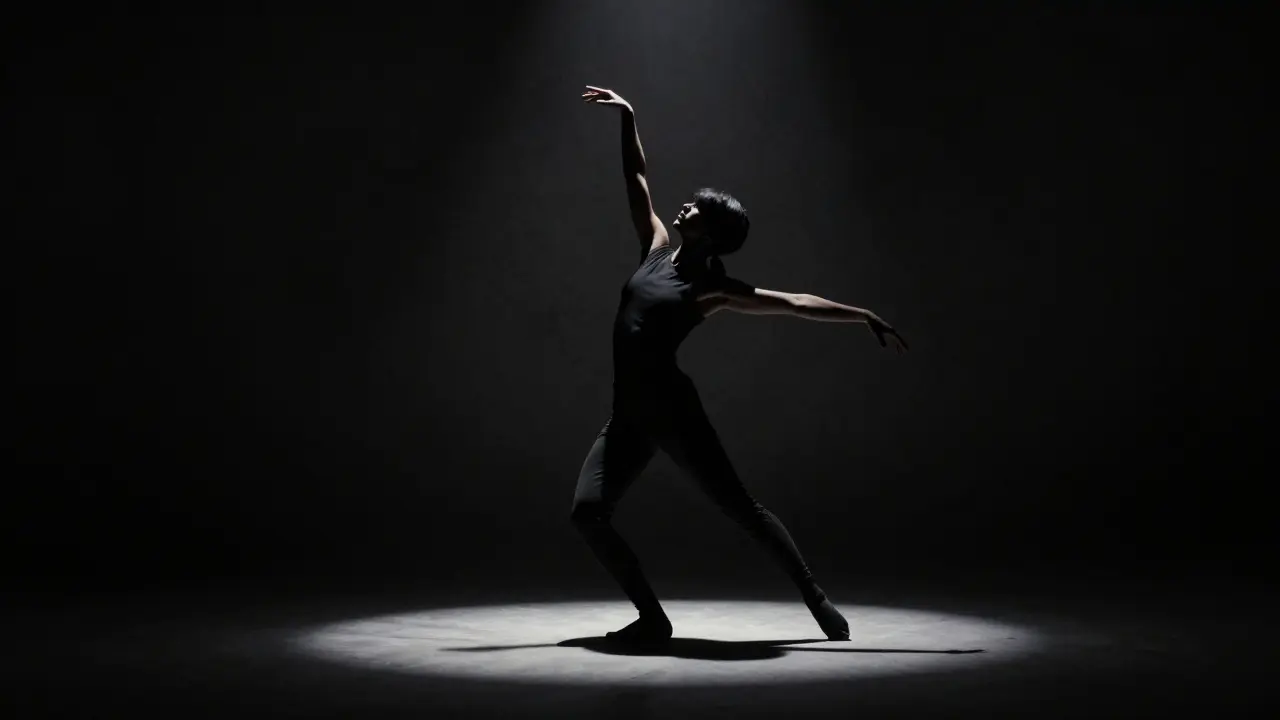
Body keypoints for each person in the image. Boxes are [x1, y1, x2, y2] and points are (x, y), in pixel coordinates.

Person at [571, 85, 908, 645]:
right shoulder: (655, 247)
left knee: (742, 510)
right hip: (627, 416)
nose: (684, 206)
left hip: (674, 413)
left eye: (696, 208)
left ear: (710, 231)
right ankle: (653, 619)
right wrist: (627, 116)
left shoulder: (712, 289)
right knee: (587, 512)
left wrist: (861, 314)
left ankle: (815, 598)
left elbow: (794, 303)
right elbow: (637, 181)